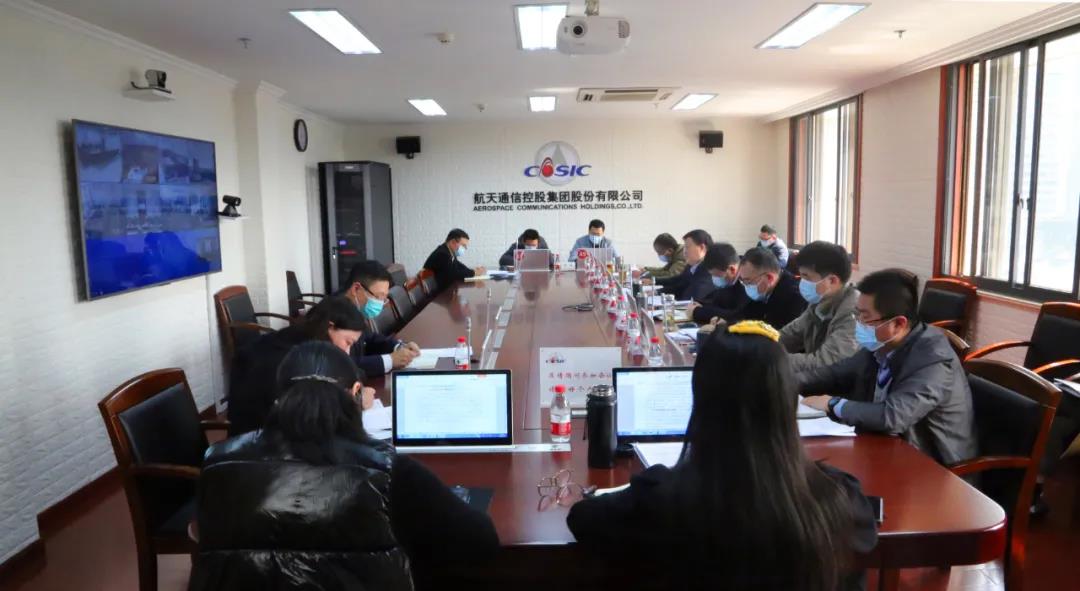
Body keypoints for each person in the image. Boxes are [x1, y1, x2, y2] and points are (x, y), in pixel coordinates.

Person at [567, 322, 877, 591]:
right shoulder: (840, 496)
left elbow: (582, 519)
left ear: (701, 398)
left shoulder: (660, 497)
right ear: (786, 400)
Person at [190, 341, 499, 591]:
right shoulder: (386, 469)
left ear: (279, 397)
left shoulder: (218, 461)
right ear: (356, 393)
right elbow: (479, 541)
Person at [801, 269, 977, 466]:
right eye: (857, 314)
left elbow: (892, 416)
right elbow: (835, 373)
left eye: (865, 317)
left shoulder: (934, 358)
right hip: (887, 449)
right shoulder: (881, 344)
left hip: (937, 468)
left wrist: (833, 404)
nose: (858, 324)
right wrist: (782, 379)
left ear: (898, 324)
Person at [226, 296, 375, 436]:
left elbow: (352, 372)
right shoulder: (292, 361)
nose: (347, 352)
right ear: (330, 327)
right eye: (348, 342)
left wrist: (356, 390)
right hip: (261, 444)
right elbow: (310, 418)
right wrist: (352, 403)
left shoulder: (301, 339)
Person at [780, 241, 859, 374]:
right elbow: (790, 334)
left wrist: (773, 360)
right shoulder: (819, 302)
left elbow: (825, 362)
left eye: (806, 276)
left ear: (832, 280)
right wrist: (761, 346)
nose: (801, 282)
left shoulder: (854, 313)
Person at [340, 260, 420, 377]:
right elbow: (340, 365)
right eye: (378, 297)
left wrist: (398, 347)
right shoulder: (332, 315)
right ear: (356, 289)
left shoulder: (355, 308)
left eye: (384, 298)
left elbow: (370, 339)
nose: (381, 304)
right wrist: (390, 361)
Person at [737, 247, 806, 329]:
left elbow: (779, 332)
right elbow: (745, 314)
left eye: (748, 281)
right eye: (743, 281)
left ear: (769, 278)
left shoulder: (794, 298)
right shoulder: (763, 290)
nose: (746, 286)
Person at [687, 242, 747, 324]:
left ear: (732, 270)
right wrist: (700, 304)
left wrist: (697, 311)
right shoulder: (729, 282)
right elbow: (716, 301)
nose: (714, 279)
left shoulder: (747, 282)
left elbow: (738, 315)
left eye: (716, 275)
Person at [654, 229, 715, 301]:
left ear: (702, 248)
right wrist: (657, 292)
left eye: (687, 247)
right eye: (684, 247)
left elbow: (690, 299)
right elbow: (680, 285)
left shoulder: (708, 270)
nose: (684, 252)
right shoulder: (691, 266)